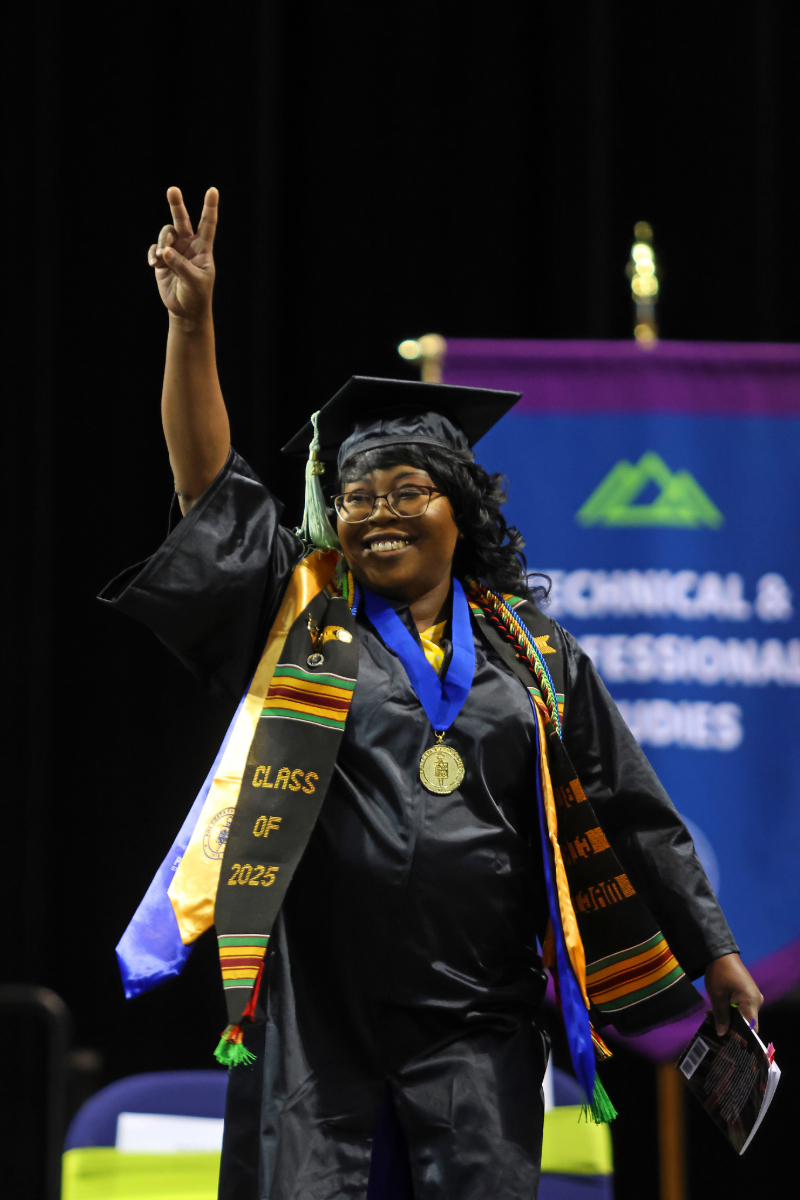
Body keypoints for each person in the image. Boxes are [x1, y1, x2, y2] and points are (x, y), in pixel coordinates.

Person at [102, 187, 763, 1200]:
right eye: (357, 495)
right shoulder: (298, 622)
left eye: (408, 491)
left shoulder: (530, 653)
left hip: (479, 1021)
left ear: (461, 511)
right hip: (316, 1022)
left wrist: (711, 949)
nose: (377, 514)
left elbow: (635, 811)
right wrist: (190, 326)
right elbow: (209, 493)